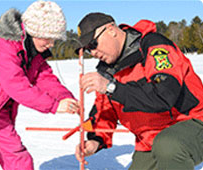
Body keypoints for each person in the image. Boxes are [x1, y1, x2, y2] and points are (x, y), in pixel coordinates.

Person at [0, 1, 79, 170]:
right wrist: (54, 106)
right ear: (35, 32)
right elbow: (17, 86)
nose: (52, 44)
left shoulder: (33, 53)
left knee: (16, 155)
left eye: (55, 39)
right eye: (49, 38)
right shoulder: (2, 46)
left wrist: (65, 97)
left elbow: (45, 79)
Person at [74, 12, 203, 170]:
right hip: (150, 139)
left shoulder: (154, 47)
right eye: (88, 50)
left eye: (93, 44)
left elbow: (164, 95)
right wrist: (96, 140)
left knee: (168, 146)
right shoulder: (106, 70)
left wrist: (112, 87)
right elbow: (104, 112)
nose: (93, 53)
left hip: (193, 123)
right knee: (163, 145)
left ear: (111, 30)